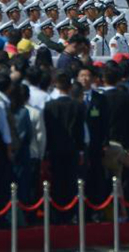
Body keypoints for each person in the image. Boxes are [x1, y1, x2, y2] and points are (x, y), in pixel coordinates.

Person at [43, 69, 86, 221]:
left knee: (57, 182)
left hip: (54, 150)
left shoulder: (49, 106)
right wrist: (81, 150)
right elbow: (80, 131)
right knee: (71, 182)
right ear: (69, 87)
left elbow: (47, 130)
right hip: (72, 149)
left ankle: (56, 214)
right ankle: (70, 213)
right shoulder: (78, 106)